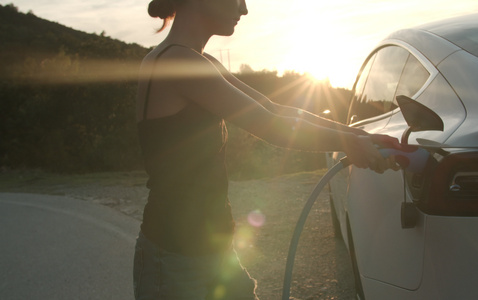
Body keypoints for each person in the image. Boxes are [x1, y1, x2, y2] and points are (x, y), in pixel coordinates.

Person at [133, 0, 401, 299]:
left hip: (212, 252)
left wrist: (357, 134)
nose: (244, 9)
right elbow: (270, 124)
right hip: (175, 263)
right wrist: (350, 143)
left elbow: (274, 108)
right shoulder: (176, 62)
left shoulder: (198, 60)